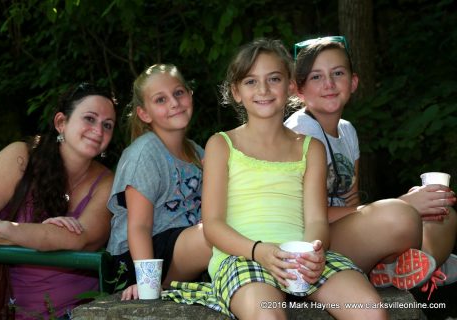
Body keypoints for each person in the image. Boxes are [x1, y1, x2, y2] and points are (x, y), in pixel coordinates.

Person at [163, 38, 387, 319]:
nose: (264, 90)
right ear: (236, 92)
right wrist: (260, 251)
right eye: (251, 82)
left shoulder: (309, 148)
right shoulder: (222, 145)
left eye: (274, 79)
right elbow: (213, 226)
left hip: (300, 257)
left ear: (291, 86)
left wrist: (314, 250)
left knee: (372, 311)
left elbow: (317, 219)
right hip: (243, 256)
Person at [285, 36, 457, 298]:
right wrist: (404, 203)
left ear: (353, 82)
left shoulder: (347, 131)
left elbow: (350, 200)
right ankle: (424, 264)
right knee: (400, 215)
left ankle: (399, 268)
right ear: (299, 89)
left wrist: (416, 203)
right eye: (316, 77)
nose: (329, 84)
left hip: (347, 231)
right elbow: (302, 213)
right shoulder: (299, 131)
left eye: (338, 73)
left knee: (443, 213)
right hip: (313, 240)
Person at [0, 82, 117, 319]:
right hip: (4, 310)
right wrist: (40, 236)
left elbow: (82, 240)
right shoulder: (21, 156)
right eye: (90, 119)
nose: (98, 130)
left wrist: (3, 231)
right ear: (61, 122)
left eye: (107, 125)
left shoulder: (108, 182)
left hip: (77, 312)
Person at [106, 64, 212, 300]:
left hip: (183, 248)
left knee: (226, 227)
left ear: (189, 94)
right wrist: (146, 284)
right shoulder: (145, 153)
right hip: (140, 259)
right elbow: (139, 227)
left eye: (178, 93)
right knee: (214, 234)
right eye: (160, 100)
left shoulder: (196, 152)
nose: (174, 103)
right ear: (144, 113)